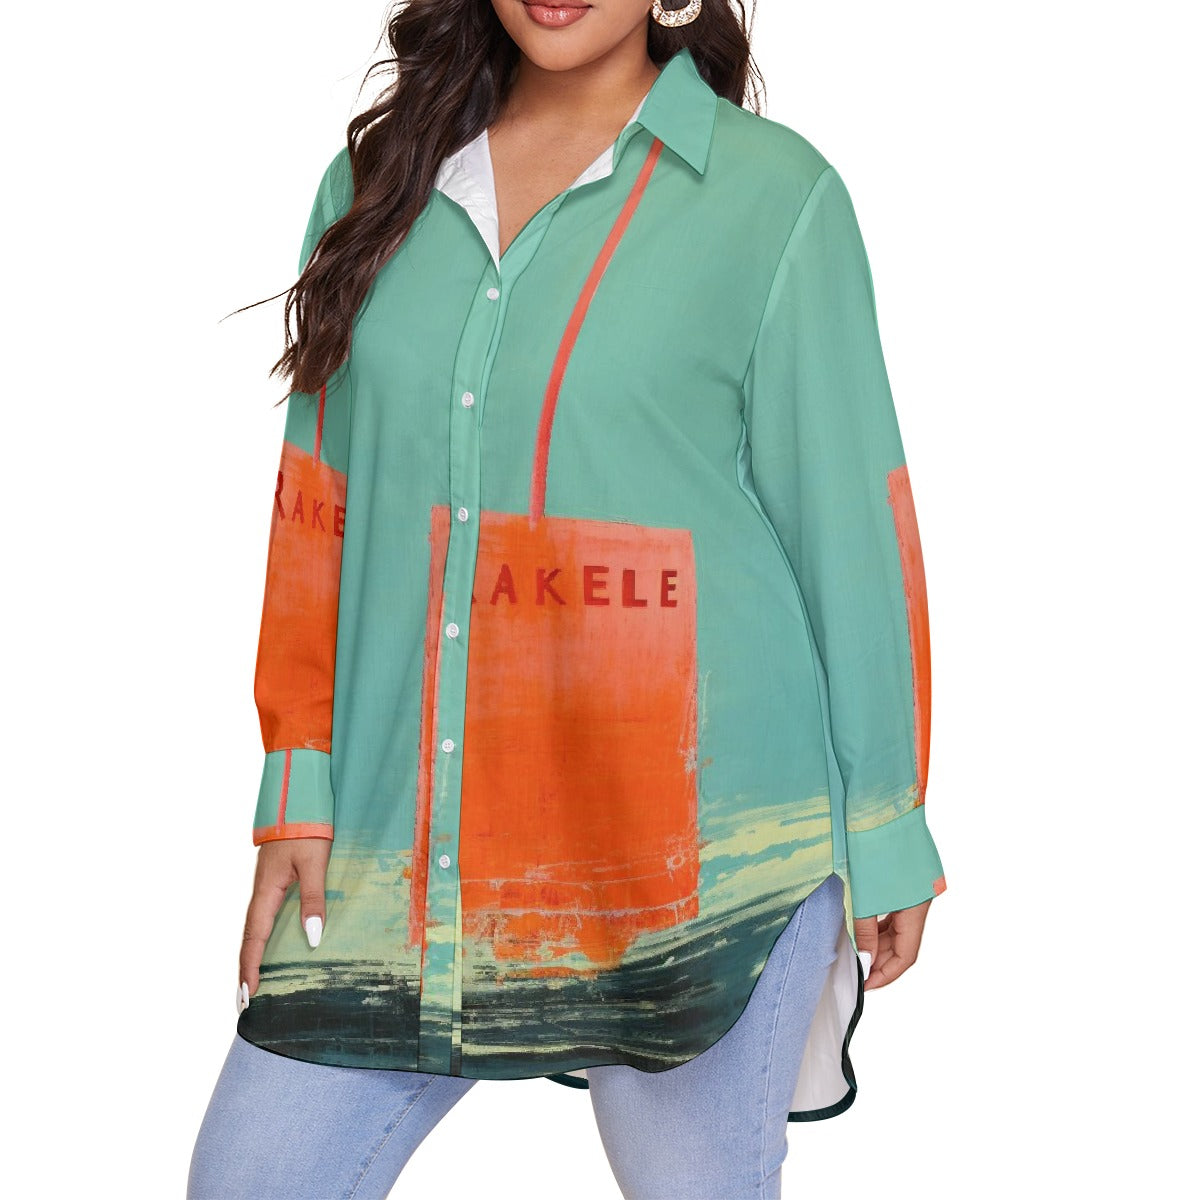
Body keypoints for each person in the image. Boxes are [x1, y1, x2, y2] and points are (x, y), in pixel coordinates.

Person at [188, 2, 948, 1197]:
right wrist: (299, 782)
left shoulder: (774, 197)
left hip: (699, 853)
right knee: (253, 1178)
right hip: (404, 832)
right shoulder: (375, 184)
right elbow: (318, 502)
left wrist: (889, 824)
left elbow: (849, 525)